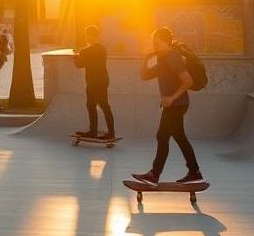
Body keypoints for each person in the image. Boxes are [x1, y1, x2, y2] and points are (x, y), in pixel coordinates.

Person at [132, 27, 202, 185]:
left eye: (157, 43)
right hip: (174, 105)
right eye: (153, 43)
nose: (154, 45)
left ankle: (154, 175)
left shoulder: (173, 57)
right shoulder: (162, 58)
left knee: (162, 136)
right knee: (179, 137)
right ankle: (194, 171)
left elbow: (188, 81)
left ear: (166, 42)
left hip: (177, 104)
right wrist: (148, 58)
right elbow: (144, 76)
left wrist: (172, 97)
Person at [73, 24, 115, 140]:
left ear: (90, 36)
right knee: (102, 106)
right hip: (102, 81)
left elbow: (79, 64)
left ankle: (95, 132)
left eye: (87, 35)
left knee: (94, 106)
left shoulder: (86, 50)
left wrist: (75, 56)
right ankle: (108, 132)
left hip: (94, 82)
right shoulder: (102, 48)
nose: (86, 37)